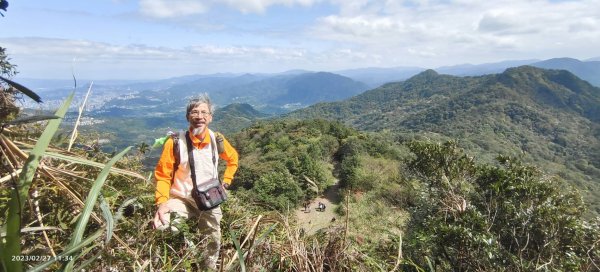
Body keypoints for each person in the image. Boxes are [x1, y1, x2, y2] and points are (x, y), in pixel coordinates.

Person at [153, 94, 239, 270]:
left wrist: (226, 181)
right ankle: (177, 259)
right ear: (187, 117)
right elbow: (163, 175)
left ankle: (207, 267)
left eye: (204, 112)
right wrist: (161, 203)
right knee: (161, 226)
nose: (200, 116)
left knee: (213, 240)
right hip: (181, 199)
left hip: (209, 199)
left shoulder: (217, 140)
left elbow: (233, 159)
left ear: (210, 118)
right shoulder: (175, 142)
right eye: (195, 112)